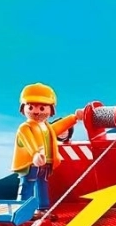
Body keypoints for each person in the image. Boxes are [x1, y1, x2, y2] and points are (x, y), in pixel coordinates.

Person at [11, 82, 84, 219]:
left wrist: (74, 118)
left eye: (42, 108)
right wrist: (35, 154)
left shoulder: (46, 126)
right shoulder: (25, 128)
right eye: (31, 107)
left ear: (51, 109)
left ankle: (42, 209)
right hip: (31, 164)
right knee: (27, 186)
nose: (36, 111)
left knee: (42, 185)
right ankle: (21, 211)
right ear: (23, 108)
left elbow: (58, 127)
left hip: (46, 163)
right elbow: (29, 142)